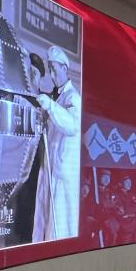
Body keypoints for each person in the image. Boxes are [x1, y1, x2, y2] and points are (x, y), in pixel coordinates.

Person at [37, 45, 81, 241]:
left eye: (55, 70)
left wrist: (50, 106)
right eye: (50, 70)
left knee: (59, 227)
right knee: (46, 221)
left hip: (63, 173)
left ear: (64, 68)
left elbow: (71, 126)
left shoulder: (73, 97)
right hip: (50, 168)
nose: (52, 75)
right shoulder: (56, 97)